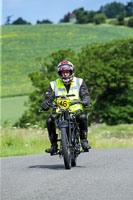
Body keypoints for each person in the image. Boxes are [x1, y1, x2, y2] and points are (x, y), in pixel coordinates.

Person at [42, 61, 91, 154]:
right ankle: (53, 145)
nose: (65, 74)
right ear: (59, 74)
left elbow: (85, 94)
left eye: (67, 72)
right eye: (63, 72)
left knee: (83, 117)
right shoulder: (53, 84)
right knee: (49, 120)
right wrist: (45, 104)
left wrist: (86, 101)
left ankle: (84, 141)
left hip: (75, 109)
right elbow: (48, 97)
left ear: (71, 72)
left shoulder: (79, 81)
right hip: (59, 110)